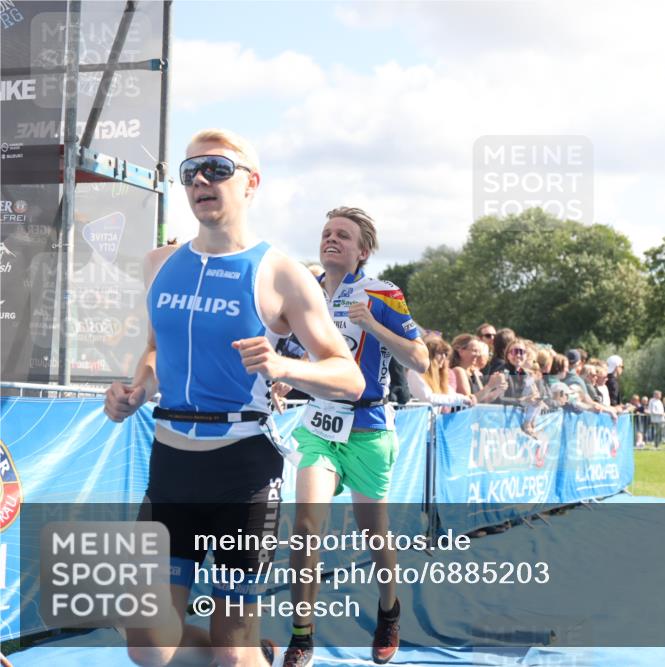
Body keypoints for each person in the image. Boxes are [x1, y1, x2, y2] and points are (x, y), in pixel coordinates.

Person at [104, 129, 366, 667]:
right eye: (190, 171)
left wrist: (283, 364)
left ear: (251, 183)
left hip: (242, 468)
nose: (201, 179)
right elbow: (156, 349)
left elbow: (349, 378)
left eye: (217, 169)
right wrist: (136, 390)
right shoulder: (159, 264)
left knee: (229, 650)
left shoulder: (281, 273)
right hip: (170, 462)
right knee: (147, 646)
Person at [272, 206, 431, 667]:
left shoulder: (383, 293)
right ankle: (302, 636)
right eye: (326, 233)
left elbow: (420, 358)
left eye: (343, 235)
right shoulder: (306, 290)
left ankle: (389, 609)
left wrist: (374, 325)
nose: (332, 239)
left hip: (369, 428)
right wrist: (289, 379)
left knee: (374, 534)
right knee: (306, 527)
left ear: (362, 251)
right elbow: (304, 354)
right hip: (320, 424)